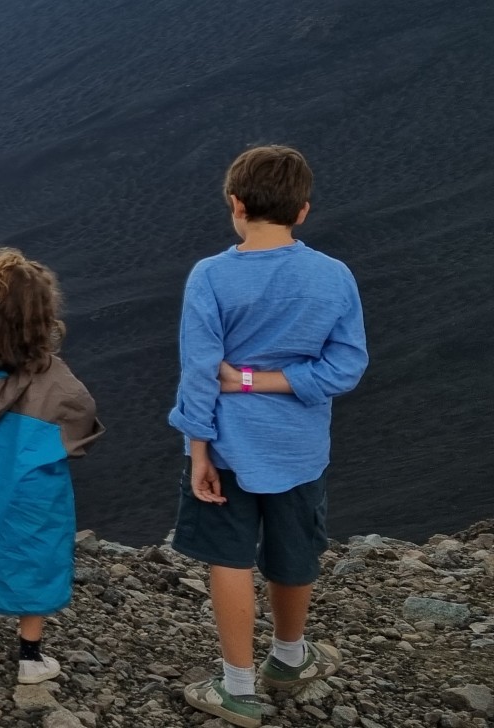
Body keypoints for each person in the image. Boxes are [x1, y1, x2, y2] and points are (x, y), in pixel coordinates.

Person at [170, 145, 367, 728]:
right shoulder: (334, 276)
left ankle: (236, 687)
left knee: (229, 558)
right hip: (301, 450)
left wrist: (198, 447)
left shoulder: (210, 275)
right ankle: (287, 657)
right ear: (302, 211)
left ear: (235, 202)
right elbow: (346, 368)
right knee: (294, 550)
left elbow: (200, 371)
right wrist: (270, 380)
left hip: (228, 447)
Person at [0, 247, 101, 684]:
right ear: (41, 318)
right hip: (32, 488)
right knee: (35, 551)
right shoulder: (50, 374)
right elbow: (81, 412)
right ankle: (30, 657)